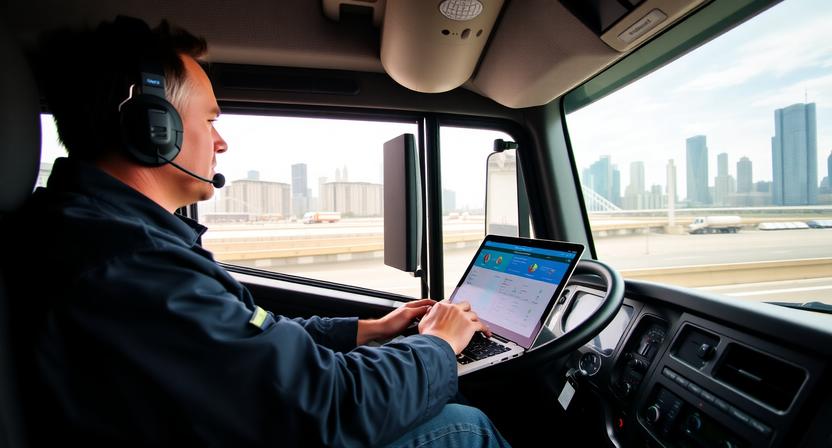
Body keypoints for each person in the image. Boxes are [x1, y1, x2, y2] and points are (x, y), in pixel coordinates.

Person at [3, 16, 512, 447]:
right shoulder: (123, 261)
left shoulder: (115, 239)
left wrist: (368, 329)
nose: (220, 143)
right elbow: (326, 408)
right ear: (152, 127)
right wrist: (439, 345)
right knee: (462, 428)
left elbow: (254, 333)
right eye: (209, 120)